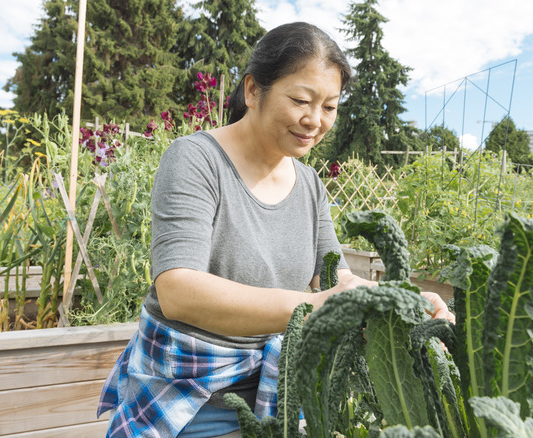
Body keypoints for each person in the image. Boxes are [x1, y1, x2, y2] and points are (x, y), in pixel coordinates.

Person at [97, 22, 453, 438]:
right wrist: (312, 307)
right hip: (188, 402)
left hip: (280, 399)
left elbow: (335, 278)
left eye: (330, 107)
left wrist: (404, 300)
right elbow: (179, 291)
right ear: (252, 91)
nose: (314, 120)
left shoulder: (309, 185)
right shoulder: (195, 160)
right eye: (301, 100)